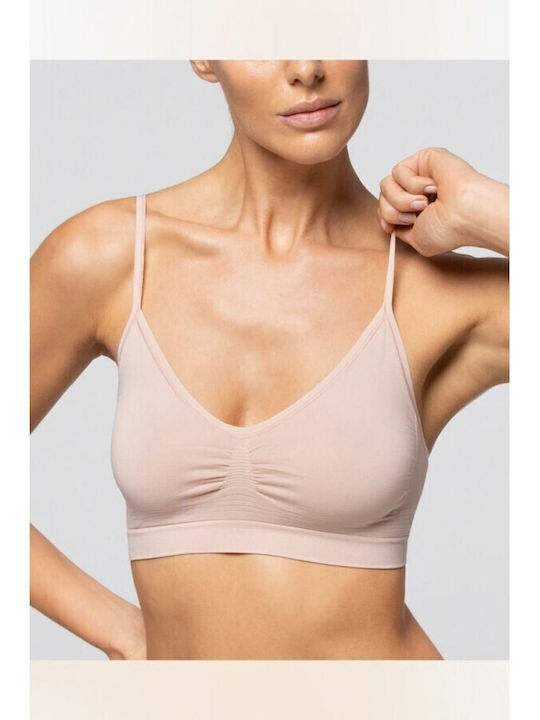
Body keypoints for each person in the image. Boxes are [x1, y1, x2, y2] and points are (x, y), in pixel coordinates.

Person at [30, 60, 508, 660]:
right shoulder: (112, 256)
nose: (306, 68)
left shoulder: (436, 292)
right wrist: (121, 633)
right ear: (205, 55)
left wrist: (488, 210)